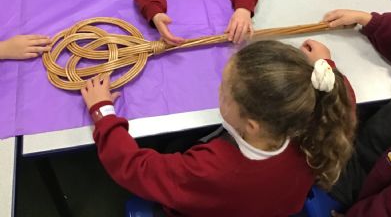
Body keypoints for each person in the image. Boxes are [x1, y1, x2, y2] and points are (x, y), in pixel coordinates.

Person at [81, 40, 356, 217]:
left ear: (252, 125)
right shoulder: (318, 122)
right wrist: (323, 67)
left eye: (224, 89)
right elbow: (341, 95)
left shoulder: (209, 170)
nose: (219, 90)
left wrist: (103, 112)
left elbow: (135, 169)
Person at [323, 9, 391, 217]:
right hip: (366, 140)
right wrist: (369, 21)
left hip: (355, 179)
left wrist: (326, 69)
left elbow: (388, 208)